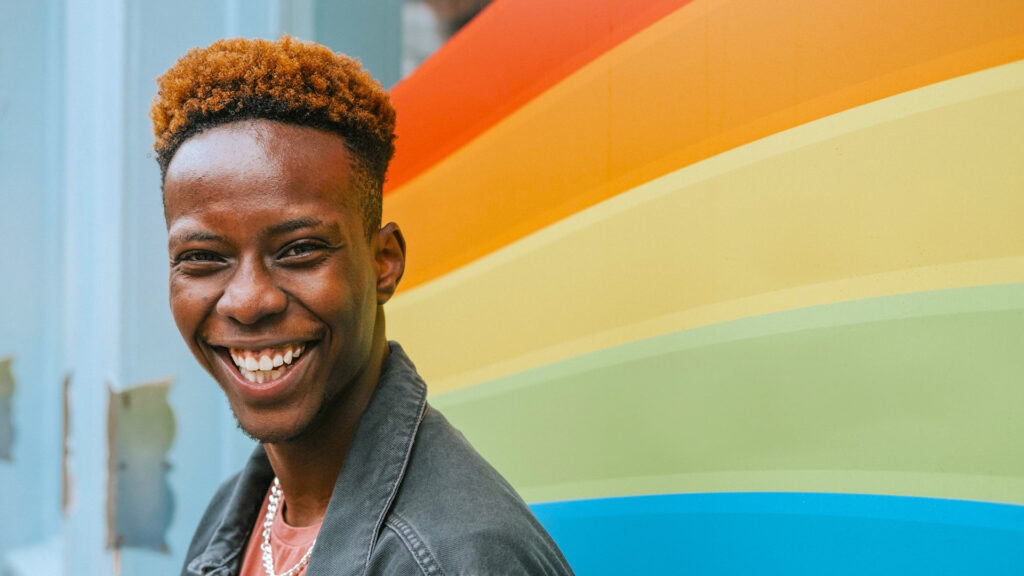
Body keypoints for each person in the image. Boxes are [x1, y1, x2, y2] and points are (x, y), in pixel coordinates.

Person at [153, 36, 574, 576]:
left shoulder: (455, 556)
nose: (249, 300)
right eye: (203, 257)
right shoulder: (238, 511)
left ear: (384, 263)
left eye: (300, 249)